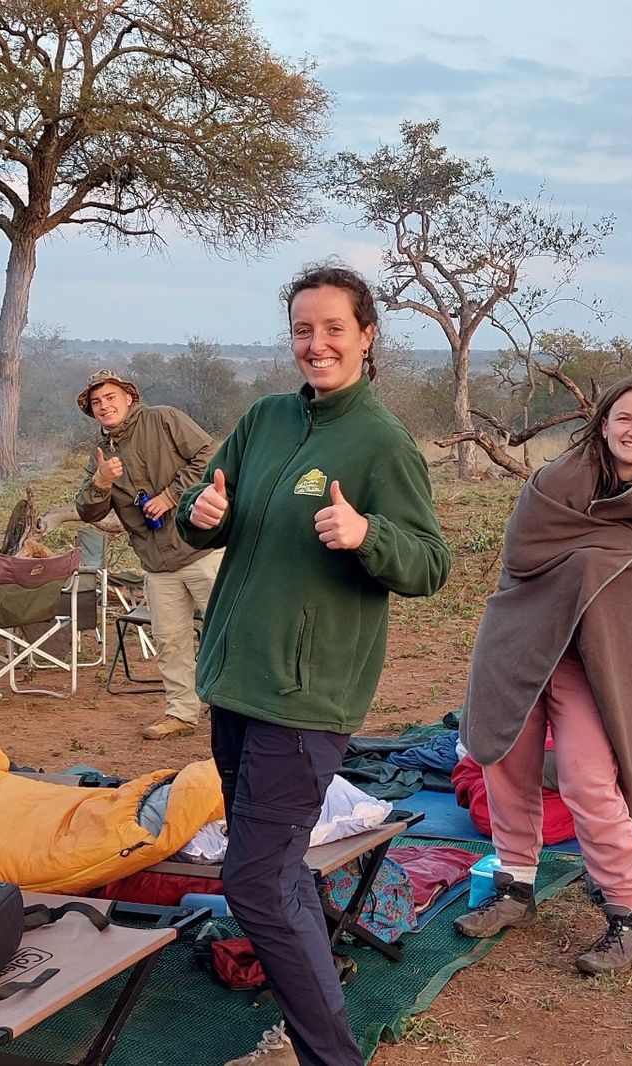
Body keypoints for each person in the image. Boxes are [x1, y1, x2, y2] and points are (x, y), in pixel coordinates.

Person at [179, 263, 450, 1066]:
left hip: (306, 696)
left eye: (334, 328)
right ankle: (320, 1036)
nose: (316, 343)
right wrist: (202, 517)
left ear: (367, 336)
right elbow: (208, 510)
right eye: (303, 328)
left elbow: (430, 564)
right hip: (237, 679)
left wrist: (369, 536)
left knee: (255, 881)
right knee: (276, 869)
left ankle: (330, 1056)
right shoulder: (264, 419)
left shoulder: (382, 442)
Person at [455, 375, 632, 975]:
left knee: (589, 779)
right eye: (624, 419)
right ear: (604, 422)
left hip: (598, 658)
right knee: (506, 763)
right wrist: (600, 557)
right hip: (526, 640)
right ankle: (514, 887)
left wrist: (588, 561)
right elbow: (524, 554)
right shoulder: (557, 482)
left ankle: (626, 916)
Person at [72, 369, 224, 740]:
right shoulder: (101, 456)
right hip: (157, 562)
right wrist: (102, 480)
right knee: (171, 641)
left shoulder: (164, 419)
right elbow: (87, 510)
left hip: (202, 548)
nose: (104, 406)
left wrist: (172, 495)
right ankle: (182, 714)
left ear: (128, 397)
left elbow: (211, 454)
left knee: (230, 633)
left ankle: (246, 712)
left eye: (110, 397)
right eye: (96, 402)